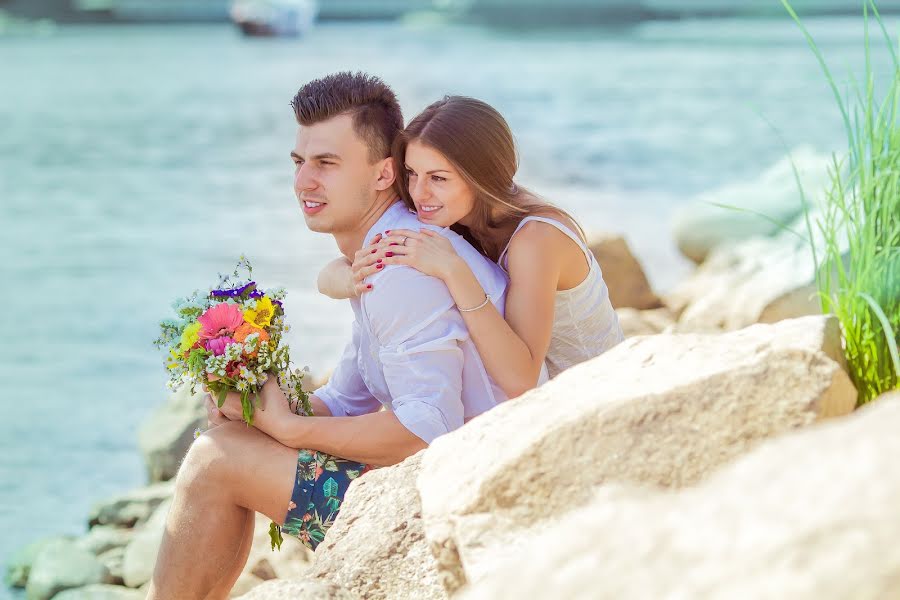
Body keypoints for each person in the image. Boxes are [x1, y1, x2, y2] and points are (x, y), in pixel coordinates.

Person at [146, 73, 508, 600]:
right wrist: (252, 407)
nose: (304, 182)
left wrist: (291, 431)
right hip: (452, 482)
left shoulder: (402, 267)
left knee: (214, 462)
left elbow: (430, 428)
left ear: (385, 173)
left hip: (471, 510)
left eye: (326, 164)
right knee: (227, 439)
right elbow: (345, 399)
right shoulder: (379, 253)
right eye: (299, 162)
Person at [318, 96, 624, 398]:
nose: (418, 193)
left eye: (438, 178)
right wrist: (351, 278)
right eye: (412, 173)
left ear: (481, 177)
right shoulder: (451, 213)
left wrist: (454, 271)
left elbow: (521, 380)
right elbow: (339, 267)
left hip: (596, 401)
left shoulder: (535, 239)